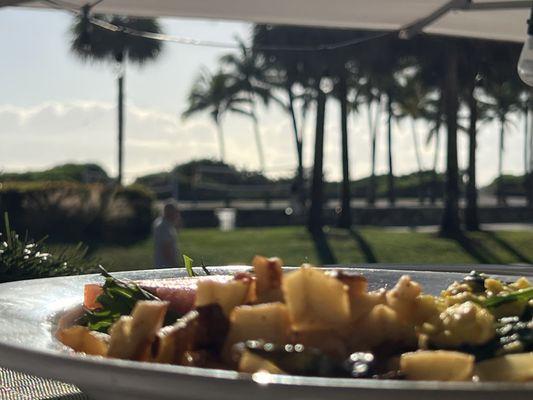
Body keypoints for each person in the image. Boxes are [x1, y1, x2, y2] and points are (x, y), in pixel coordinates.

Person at [153, 200, 181, 268]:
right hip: (165, 265)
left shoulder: (164, 223)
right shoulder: (164, 227)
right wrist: (174, 265)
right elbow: (166, 248)